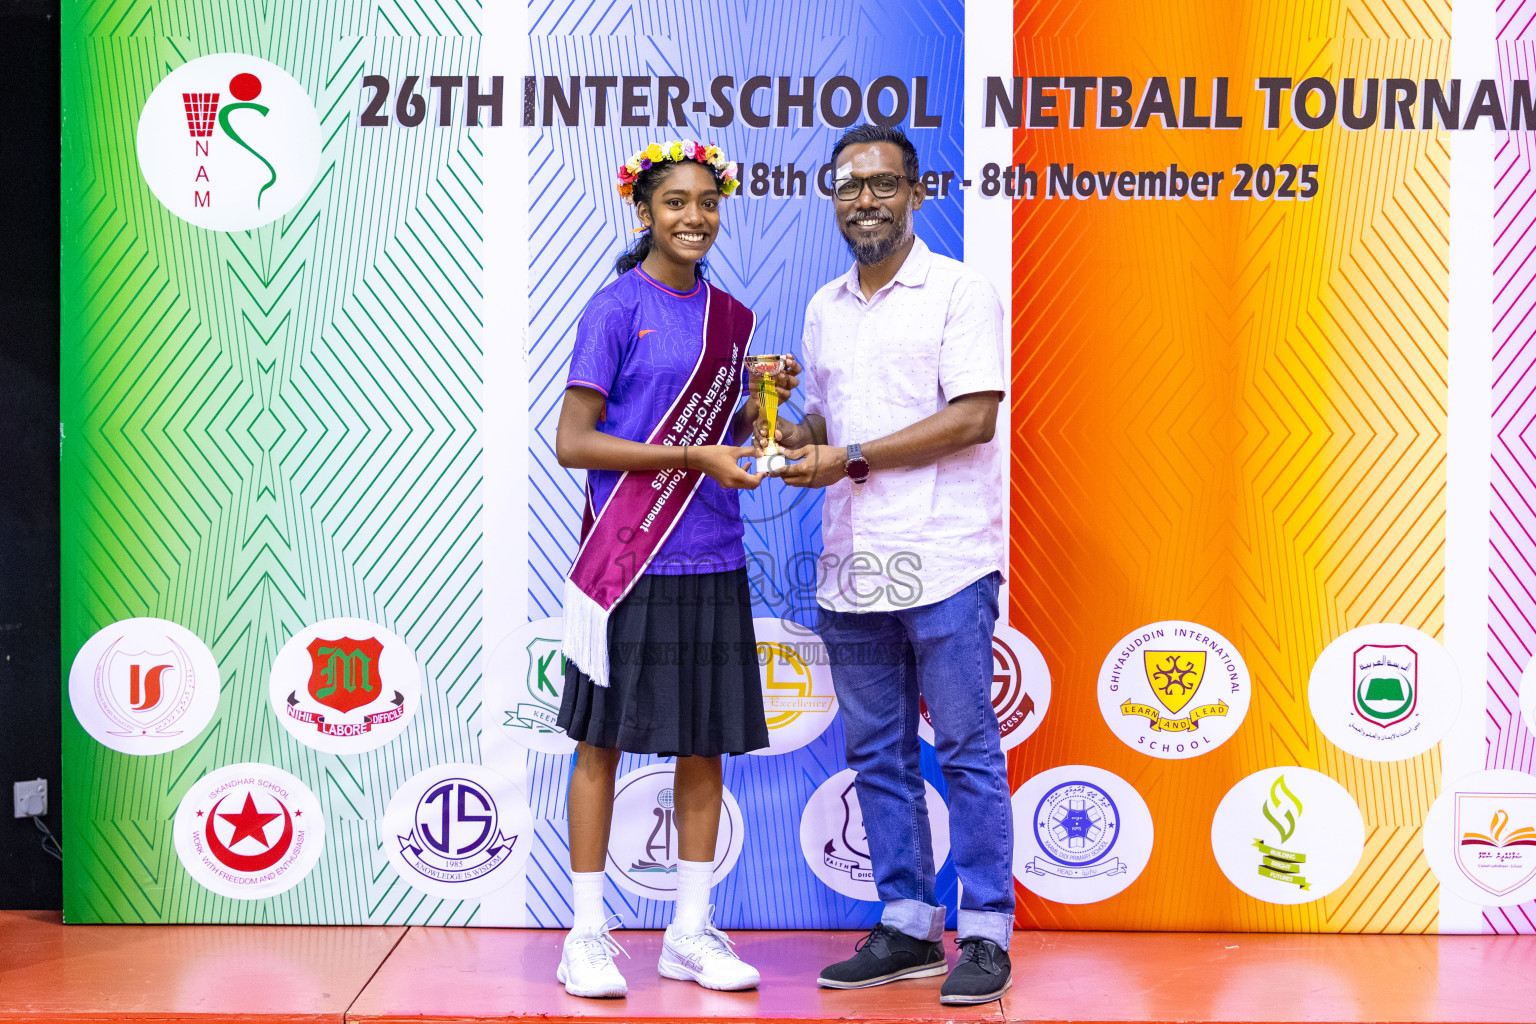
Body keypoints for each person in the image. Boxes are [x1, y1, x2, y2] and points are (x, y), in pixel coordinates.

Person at [552, 139, 798, 998]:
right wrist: (694, 456)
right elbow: (573, 441)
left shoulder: (733, 318)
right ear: (643, 211)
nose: (695, 217)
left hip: (712, 553)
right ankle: (586, 934)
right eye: (676, 203)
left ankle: (689, 932)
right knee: (601, 741)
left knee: (703, 744)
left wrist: (771, 404)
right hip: (628, 558)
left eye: (707, 202)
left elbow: (744, 443)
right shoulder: (616, 308)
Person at [774, 124, 1013, 1006]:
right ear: (832, 198)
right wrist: (790, 433)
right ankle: (909, 924)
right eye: (847, 185)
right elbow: (829, 431)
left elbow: (972, 419)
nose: (863, 199)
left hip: (945, 560)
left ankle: (985, 931)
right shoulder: (825, 305)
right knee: (878, 751)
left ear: (918, 193)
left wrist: (852, 456)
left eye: (881, 185)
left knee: (966, 748)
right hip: (853, 566)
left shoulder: (959, 292)